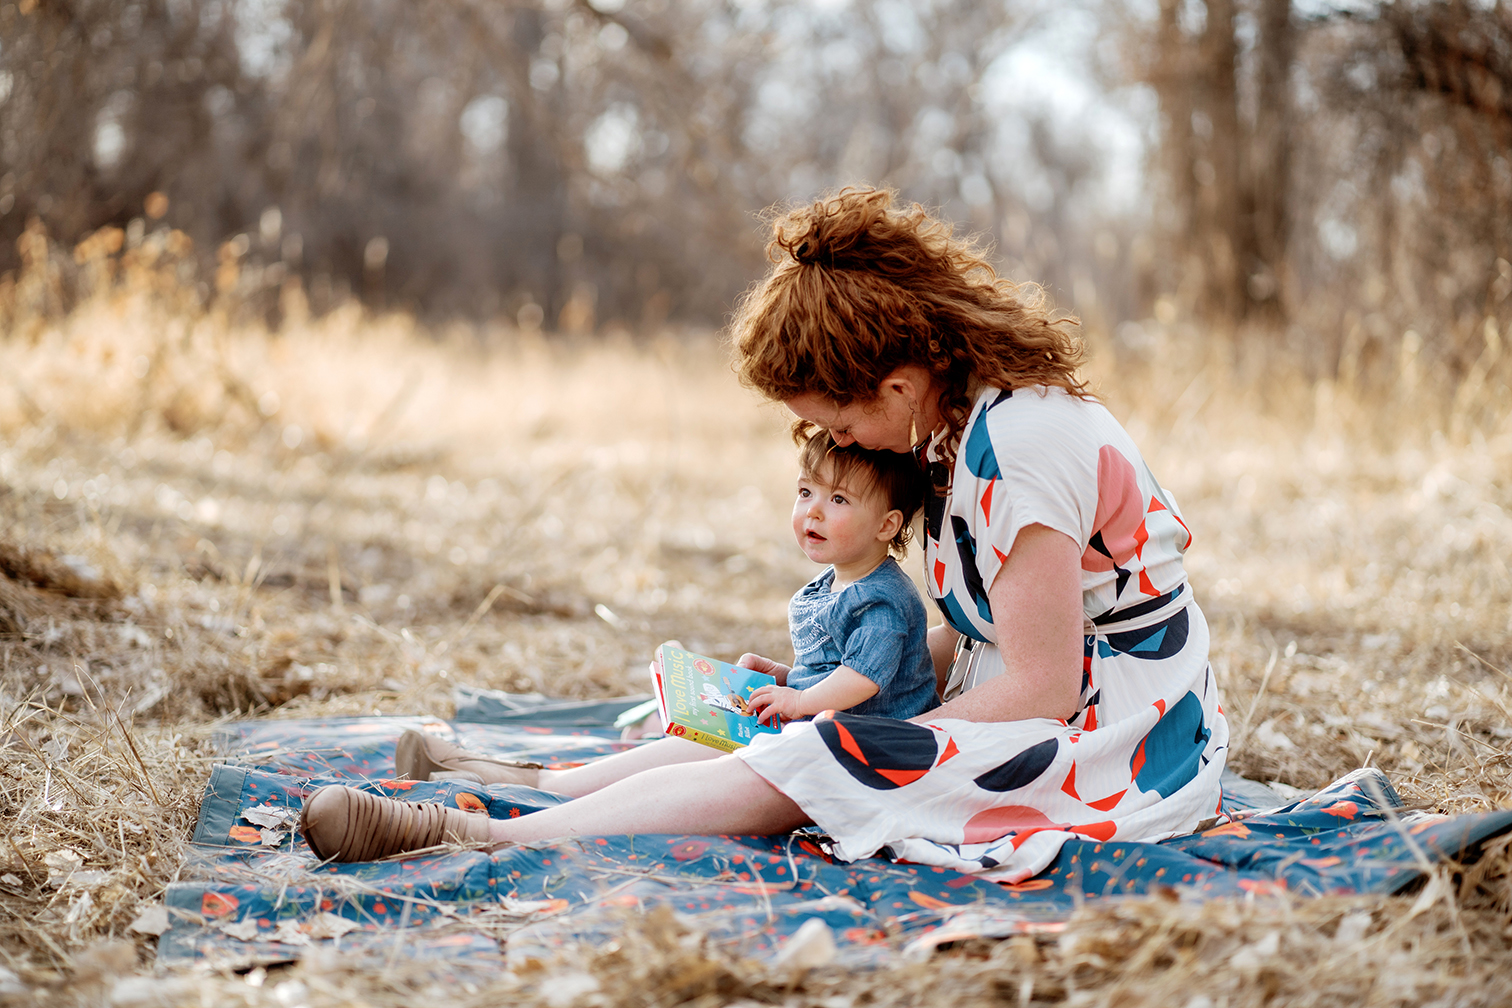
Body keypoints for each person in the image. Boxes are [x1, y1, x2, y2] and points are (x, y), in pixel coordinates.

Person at [300, 187, 1228, 881]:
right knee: (779, 715)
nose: (841, 444)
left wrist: (883, 730)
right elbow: (994, 630)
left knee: (825, 750)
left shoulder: (1024, 445)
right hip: (1030, 695)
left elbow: (1041, 678)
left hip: (1115, 735)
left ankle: (486, 833)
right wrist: (845, 685)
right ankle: (529, 782)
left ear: (897, 387)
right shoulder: (951, 435)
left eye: (841, 421)